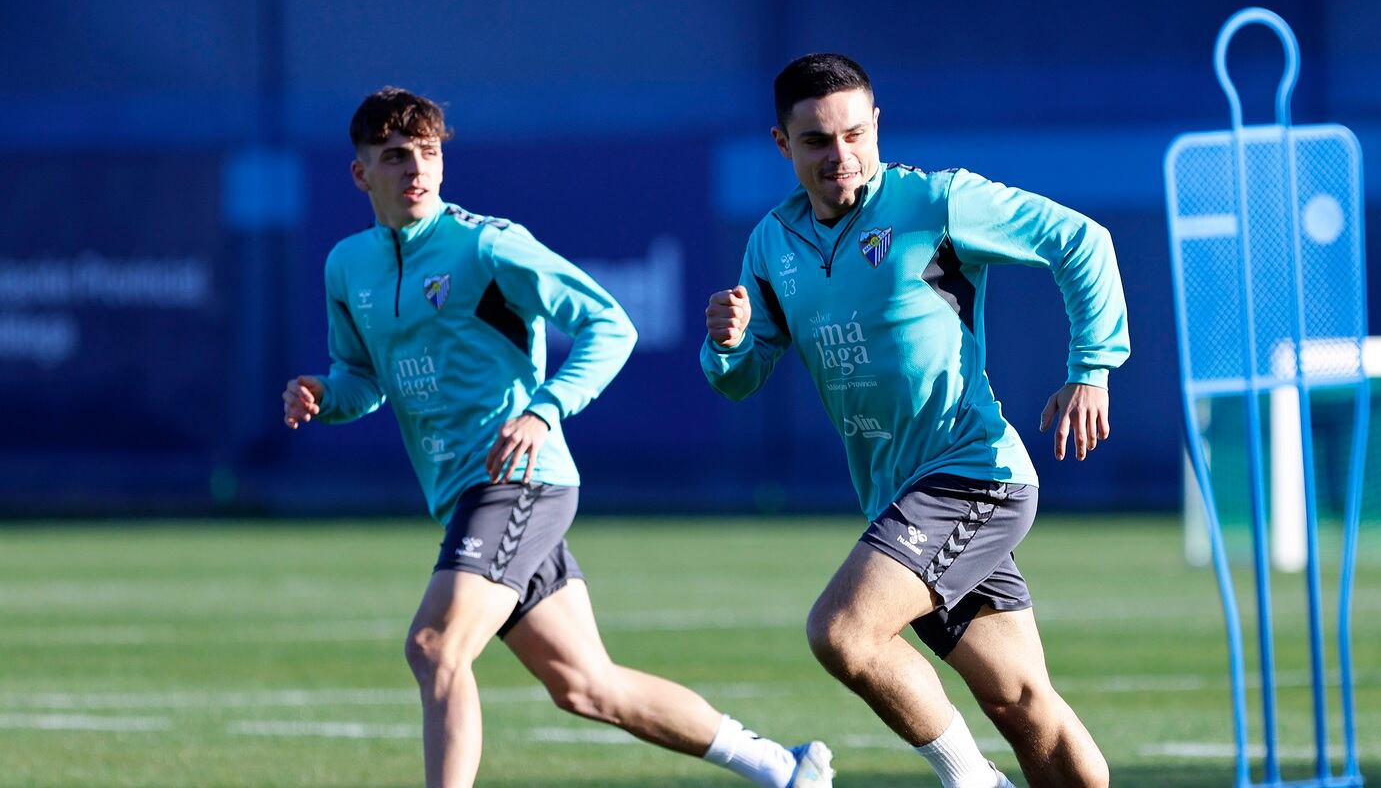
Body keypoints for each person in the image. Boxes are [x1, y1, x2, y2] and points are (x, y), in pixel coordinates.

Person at [283, 86, 833, 788]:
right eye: (395, 158)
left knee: (433, 645)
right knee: (587, 685)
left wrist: (544, 409)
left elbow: (612, 324)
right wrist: (325, 396)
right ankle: (783, 768)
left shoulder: (486, 244)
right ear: (362, 174)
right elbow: (361, 378)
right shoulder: (346, 266)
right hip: (462, 494)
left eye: (427, 153)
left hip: (521, 478)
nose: (416, 169)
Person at [701, 54, 1127, 788]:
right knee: (1020, 700)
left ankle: (973, 781)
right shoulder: (771, 245)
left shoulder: (938, 201)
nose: (840, 155)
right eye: (816, 141)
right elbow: (743, 380)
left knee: (843, 631)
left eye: (854, 134)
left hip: (971, 472)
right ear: (782, 144)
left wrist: (1090, 368)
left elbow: (1081, 242)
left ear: (876, 126)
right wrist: (725, 344)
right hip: (899, 497)